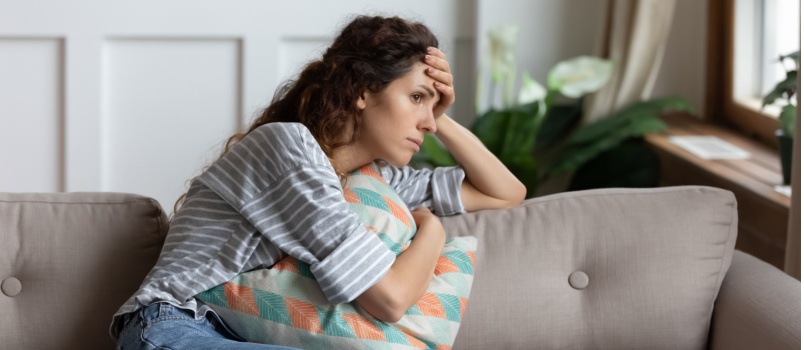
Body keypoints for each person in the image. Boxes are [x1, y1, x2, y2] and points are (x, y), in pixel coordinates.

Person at [112, 15, 526, 349]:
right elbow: (391, 299)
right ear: (364, 91)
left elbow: (506, 193)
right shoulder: (288, 149)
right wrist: (433, 230)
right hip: (175, 327)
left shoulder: (373, 181)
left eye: (433, 107)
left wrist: (442, 116)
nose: (427, 121)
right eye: (416, 98)